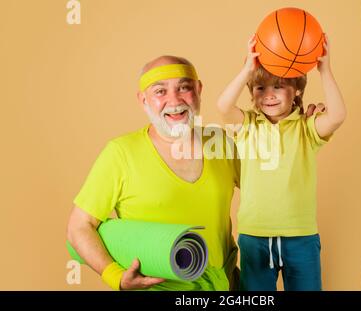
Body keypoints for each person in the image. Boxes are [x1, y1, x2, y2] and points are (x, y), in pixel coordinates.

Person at [66, 55, 241, 291]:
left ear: (199, 90)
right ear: (143, 100)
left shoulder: (220, 143)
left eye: (184, 88)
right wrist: (115, 276)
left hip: (227, 287)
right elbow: (79, 226)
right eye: (160, 91)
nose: (175, 100)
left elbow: (268, 187)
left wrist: (297, 124)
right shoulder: (121, 153)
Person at [216, 34, 346, 291]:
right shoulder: (247, 126)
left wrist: (325, 71)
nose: (269, 95)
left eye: (278, 86)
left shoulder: (306, 128)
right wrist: (247, 71)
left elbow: (338, 115)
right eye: (260, 88)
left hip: (301, 235)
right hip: (255, 235)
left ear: (297, 88)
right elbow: (222, 106)